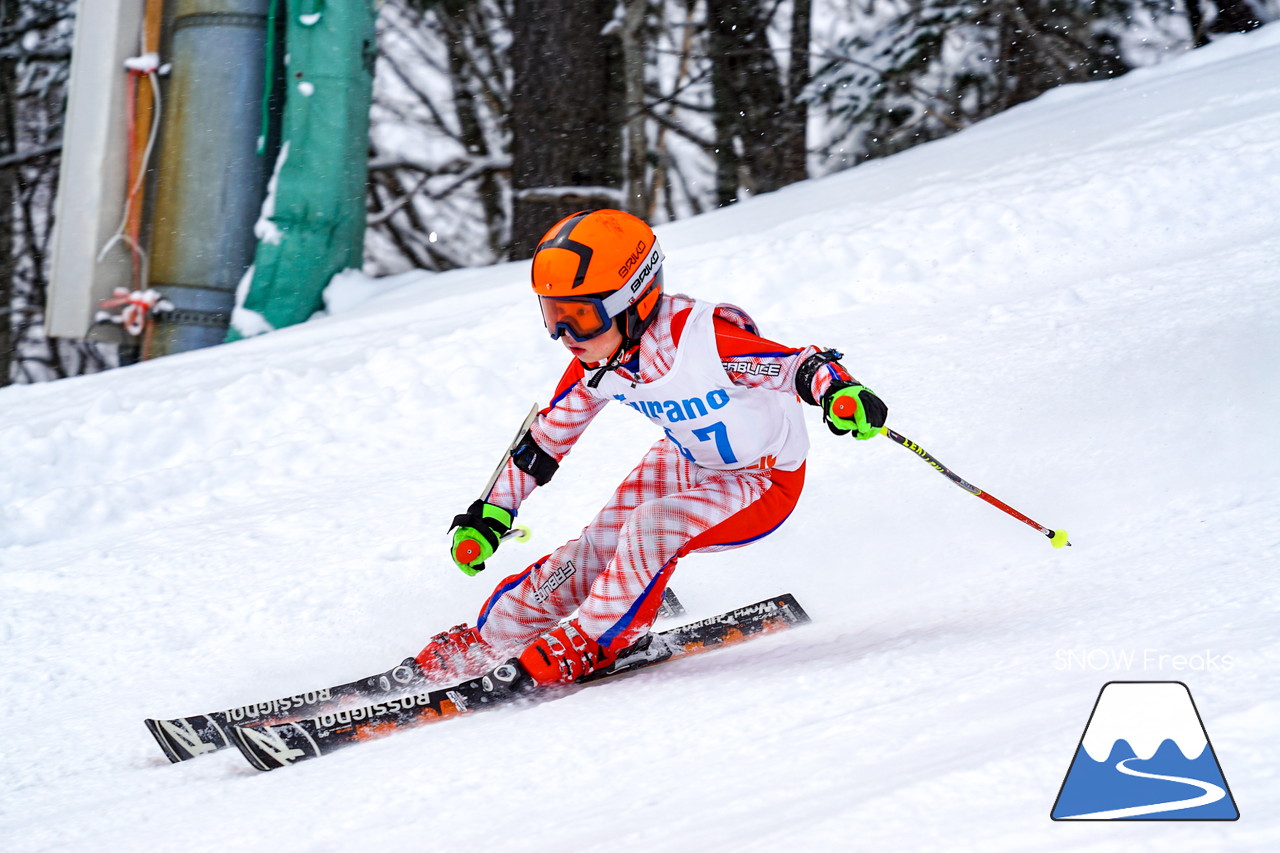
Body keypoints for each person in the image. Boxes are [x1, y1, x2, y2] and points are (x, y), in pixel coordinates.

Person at [415, 209, 887, 688]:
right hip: (685, 459)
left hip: (763, 479)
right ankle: (494, 637)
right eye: (554, 316)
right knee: (598, 543)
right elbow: (544, 440)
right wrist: (492, 515)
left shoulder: (704, 341)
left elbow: (796, 367)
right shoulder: (598, 362)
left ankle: (594, 639)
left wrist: (839, 392)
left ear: (633, 301)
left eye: (580, 317)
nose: (564, 336)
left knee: (650, 528)